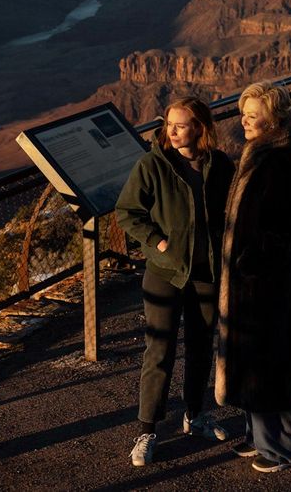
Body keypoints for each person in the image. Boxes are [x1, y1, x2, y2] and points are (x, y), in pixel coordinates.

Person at [115, 96, 236, 467]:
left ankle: (195, 416)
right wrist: (159, 241)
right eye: (169, 124)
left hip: (206, 273)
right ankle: (147, 430)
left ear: (200, 126)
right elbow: (127, 212)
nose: (173, 131)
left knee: (201, 347)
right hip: (165, 273)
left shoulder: (220, 165)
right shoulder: (153, 165)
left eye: (181, 124)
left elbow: (232, 210)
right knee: (159, 351)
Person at [215, 80, 291, 473]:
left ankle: (276, 449)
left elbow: (280, 228)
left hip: (263, 284)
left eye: (254, 115)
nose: (245, 121)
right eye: (244, 113)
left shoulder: (280, 159)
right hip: (258, 281)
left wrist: (250, 265)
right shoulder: (267, 152)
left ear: (274, 117)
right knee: (265, 359)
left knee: (261, 362)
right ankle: (270, 438)